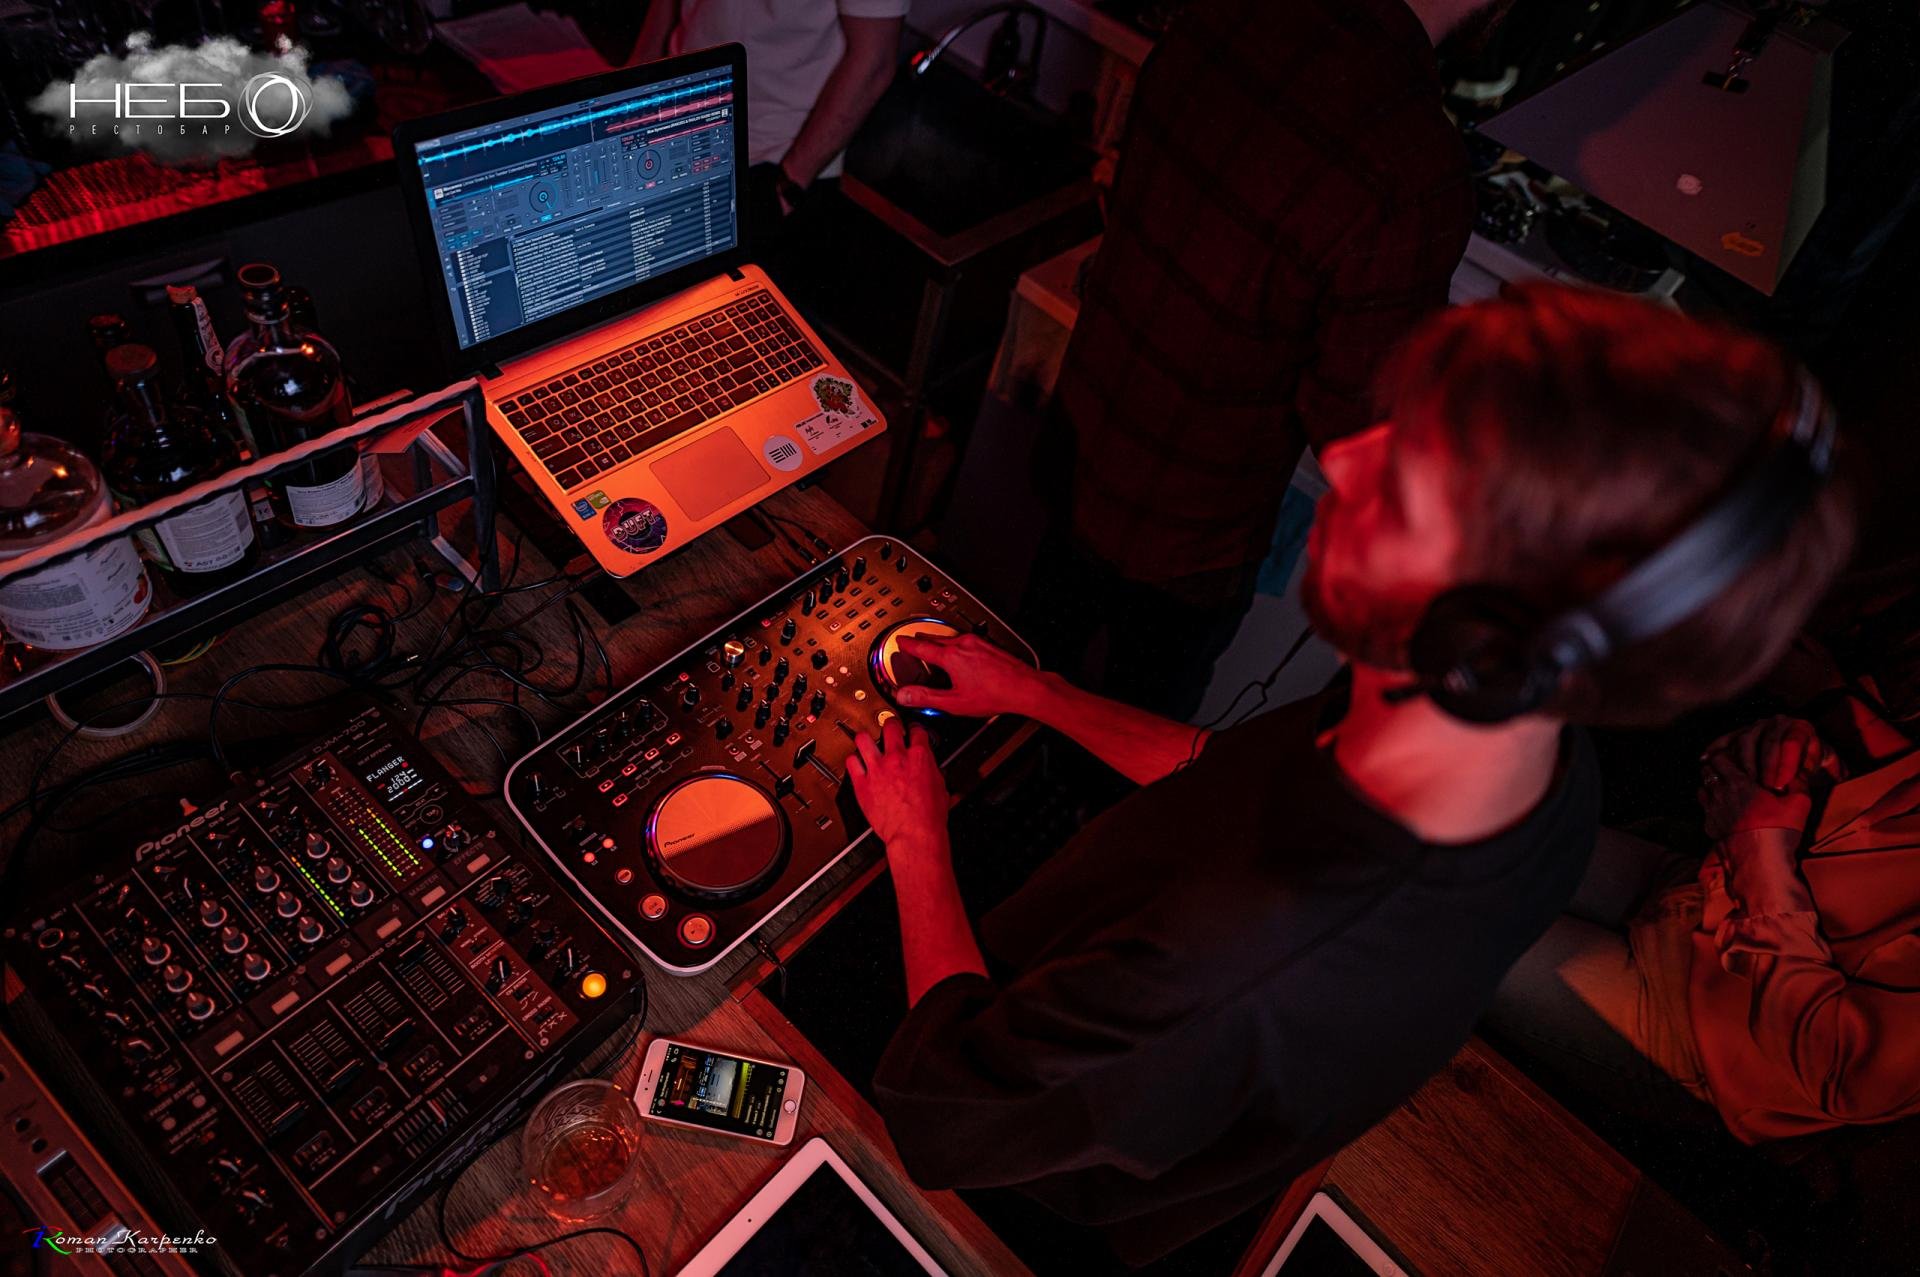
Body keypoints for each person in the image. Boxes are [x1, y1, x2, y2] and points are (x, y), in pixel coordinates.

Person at [844, 287, 1856, 1267]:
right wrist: (1041, 693)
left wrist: (918, 835)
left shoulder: (1233, 959)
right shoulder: (1534, 761)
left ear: (1487, 618)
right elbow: (1226, 774)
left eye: (1405, 478)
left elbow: (942, 1109)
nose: (1341, 457)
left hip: (1022, 1161)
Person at [1021, 0, 1492, 721]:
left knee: (1015, 686)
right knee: (1123, 746)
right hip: (1192, 538)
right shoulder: (1414, 167)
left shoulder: (1221, 16)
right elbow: (1354, 427)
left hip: (1080, 447)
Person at [1486, 688, 1920, 1143]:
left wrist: (1760, 845)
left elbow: (1840, 1068)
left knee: (1448, 930)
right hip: (1698, 891)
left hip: (1698, 1033)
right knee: (1473, 831)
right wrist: (1809, 768)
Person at [631, 0, 903, 276]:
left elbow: (875, 61)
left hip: (771, 164)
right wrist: (633, 83)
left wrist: (787, 186)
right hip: (673, 132)